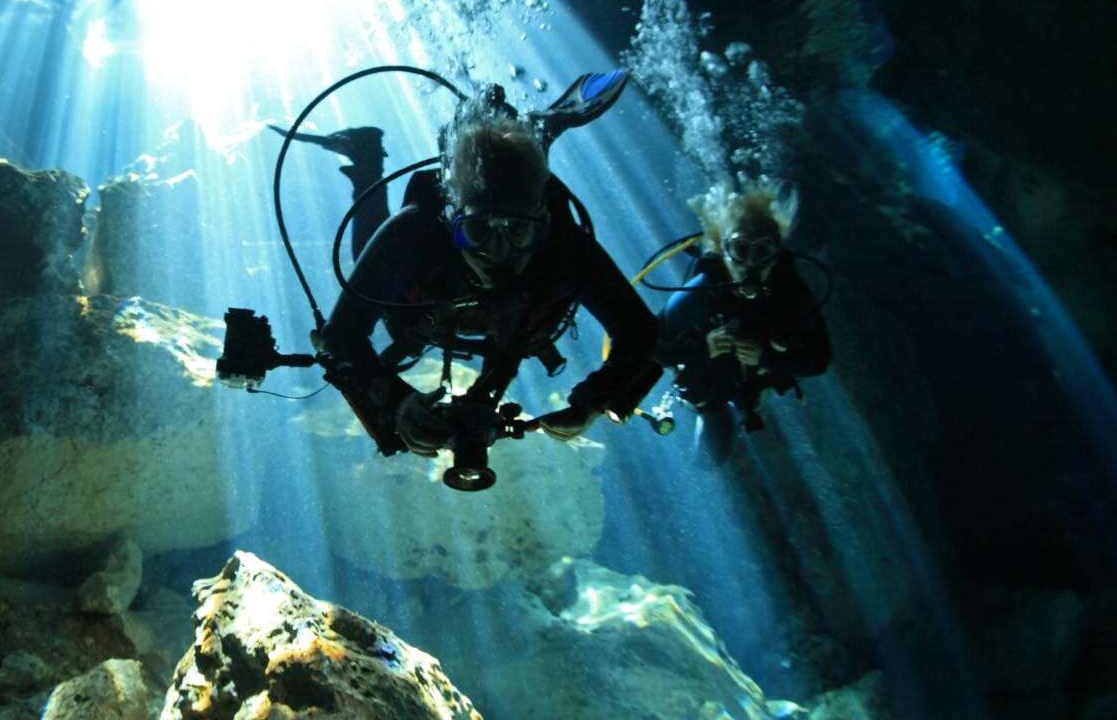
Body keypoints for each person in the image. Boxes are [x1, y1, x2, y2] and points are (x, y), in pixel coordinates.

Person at [281, 74, 659, 460]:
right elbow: (341, 334)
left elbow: (641, 331)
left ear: (543, 223)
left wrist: (596, 399)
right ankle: (369, 159)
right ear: (450, 221)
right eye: (478, 230)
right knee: (372, 263)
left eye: (518, 231)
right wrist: (399, 403)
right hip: (434, 304)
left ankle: (531, 133)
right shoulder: (414, 232)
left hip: (486, 314)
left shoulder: (565, 246)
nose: (498, 251)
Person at [654, 179, 832, 462]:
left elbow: (820, 358)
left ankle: (737, 412)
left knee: (740, 411)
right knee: (711, 429)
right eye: (740, 249)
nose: (750, 263)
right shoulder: (705, 288)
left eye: (762, 250)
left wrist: (768, 358)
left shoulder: (789, 291)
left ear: (776, 255)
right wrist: (703, 348)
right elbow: (653, 348)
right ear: (722, 251)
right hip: (710, 380)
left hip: (756, 382)